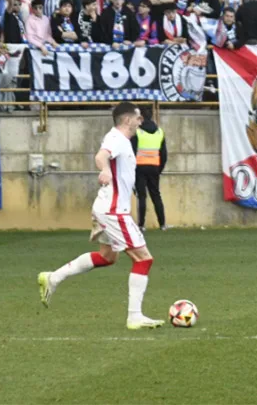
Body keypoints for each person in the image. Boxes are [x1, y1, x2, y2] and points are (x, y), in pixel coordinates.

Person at [37, 101, 163, 329]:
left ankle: (53, 278)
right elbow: (101, 156)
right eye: (137, 117)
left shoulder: (121, 140)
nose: (140, 121)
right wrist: (104, 169)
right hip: (113, 211)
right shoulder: (116, 139)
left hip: (107, 208)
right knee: (144, 259)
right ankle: (134, 316)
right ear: (127, 120)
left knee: (107, 257)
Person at [134, 111, 168, 231]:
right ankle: (163, 224)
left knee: (141, 196)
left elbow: (132, 152)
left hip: (139, 168)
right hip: (154, 167)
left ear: (141, 118)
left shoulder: (137, 132)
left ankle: (141, 225)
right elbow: (164, 154)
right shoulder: (160, 132)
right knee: (156, 195)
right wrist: (159, 169)